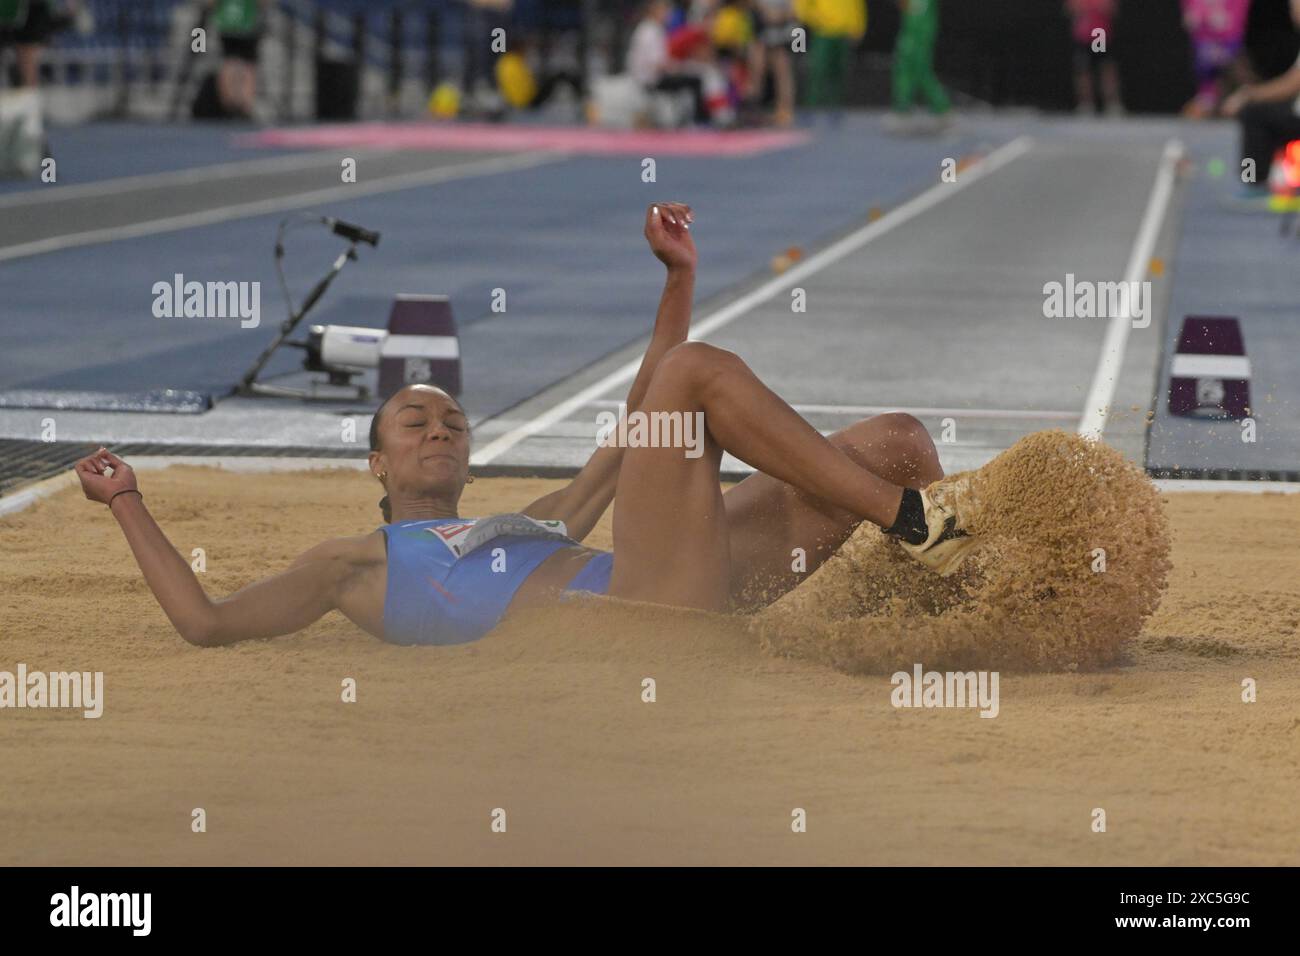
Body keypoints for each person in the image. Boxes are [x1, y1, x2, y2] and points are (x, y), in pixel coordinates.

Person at [75, 202, 977, 648]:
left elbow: (638, 436)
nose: (439, 428)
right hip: (641, 624)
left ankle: (959, 610)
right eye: (414, 421)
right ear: (377, 467)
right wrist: (125, 499)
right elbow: (206, 621)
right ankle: (914, 523)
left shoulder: (530, 519)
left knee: (897, 438)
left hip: (684, 581)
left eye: (452, 421)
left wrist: (676, 280)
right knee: (696, 375)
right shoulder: (356, 564)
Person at [884, 0, 952, 133]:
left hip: (919, 35)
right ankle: (904, 110)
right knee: (906, 70)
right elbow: (906, 7)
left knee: (919, 72)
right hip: (911, 32)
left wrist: (915, 39)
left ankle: (941, 110)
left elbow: (918, 12)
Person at [795, 0, 866, 116]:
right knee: (818, 70)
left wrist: (858, 26)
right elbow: (802, 4)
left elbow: (857, 5)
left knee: (839, 71)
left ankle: (835, 106)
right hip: (823, 33)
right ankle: (811, 106)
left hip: (844, 32)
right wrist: (814, 19)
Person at [1067, 0, 1121, 116]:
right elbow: (1072, 8)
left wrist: (1091, 7)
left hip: (1099, 34)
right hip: (1083, 36)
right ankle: (1086, 104)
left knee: (1105, 69)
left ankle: (1111, 104)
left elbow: (1110, 8)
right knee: (1083, 71)